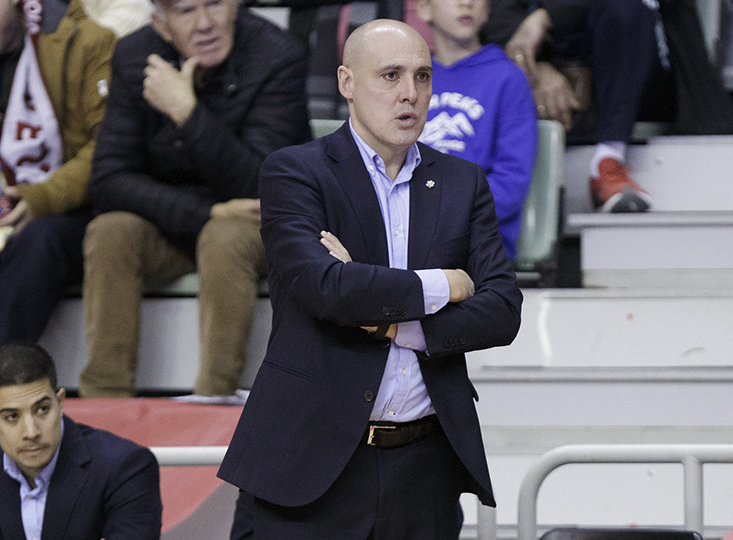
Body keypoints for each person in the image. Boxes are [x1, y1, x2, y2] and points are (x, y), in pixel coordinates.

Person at [217, 19, 523, 537]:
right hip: (309, 465)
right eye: (390, 75)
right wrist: (445, 284)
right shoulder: (295, 172)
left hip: (425, 468)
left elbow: (502, 311)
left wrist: (390, 322)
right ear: (346, 83)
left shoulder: (461, 182)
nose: (410, 94)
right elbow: (325, 289)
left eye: (423, 76)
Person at [79, 0, 311, 398]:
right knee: (111, 230)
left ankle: (212, 401)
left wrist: (187, 112)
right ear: (161, 24)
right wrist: (205, 212)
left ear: (236, 6)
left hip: (257, 223)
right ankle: (105, 403)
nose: (205, 24)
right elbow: (109, 178)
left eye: (215, 4)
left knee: (226, 237)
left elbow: (261, 184)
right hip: (177, 220)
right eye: (186, 11)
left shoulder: (277, 54)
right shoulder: (135, 55)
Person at [0, 0, 115, 388]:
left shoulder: (85, 42)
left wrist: (41, 198)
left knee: (39, 240)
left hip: (72, 210)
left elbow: (107, 149)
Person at [483, 0, 673, 213]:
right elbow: (496, 17)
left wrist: (547, 17)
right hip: (551, 78)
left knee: (626, 7)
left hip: (640, 79)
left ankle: (608, 161)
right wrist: (538, 69)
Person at [0, 343, 162, 539]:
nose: (31, 432)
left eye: (42, 409)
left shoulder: (125, 466)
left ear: (60, 402)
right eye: (12, 417)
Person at [416, 0, 537, 259]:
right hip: (409, 235)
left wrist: (440, 215)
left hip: (478, 245)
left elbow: (510, 182)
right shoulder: (412, 78)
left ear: (488, 10)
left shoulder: (508, 78)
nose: (466, 3)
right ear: (424, 8)